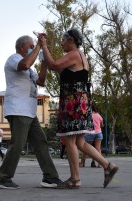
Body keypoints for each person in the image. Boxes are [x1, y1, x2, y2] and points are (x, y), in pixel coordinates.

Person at [40, 28, 118, 189]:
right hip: (80, 102)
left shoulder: (75, 54)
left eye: (63, 40)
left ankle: (75, 179)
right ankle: (107, 165)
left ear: (71, 41)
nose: (61, 43)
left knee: (70, 141)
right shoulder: (80, 56)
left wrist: (44, 46)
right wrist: (45, 56)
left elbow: (54, 64)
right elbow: (60, 68)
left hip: (72, 103)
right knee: (80, 142)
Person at [0, 34, 61, 190]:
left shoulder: (30, 69)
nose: (32, 48)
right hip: (18, 109)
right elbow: (24, 64)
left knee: (41, 142)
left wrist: (43, 60)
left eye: (33, 46)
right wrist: (39, 45)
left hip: (29, 111)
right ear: (22, 47)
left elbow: (41, 81)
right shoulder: (14, 59)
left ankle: (50, 177)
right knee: (18, 144)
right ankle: (3, 178)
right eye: (30, 46)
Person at [79, 104, 104, 168]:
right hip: (98, 133)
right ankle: (100, 164)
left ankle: (82, 163)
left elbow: (85, 124)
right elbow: (102, 125)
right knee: (98, 149)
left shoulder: (88, 115)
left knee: (85, 148)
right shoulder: (99, 115)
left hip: (90, 133)